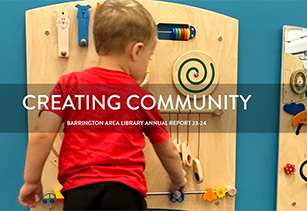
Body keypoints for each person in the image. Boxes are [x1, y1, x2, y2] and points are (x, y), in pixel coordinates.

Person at [18, 0, 187, 210]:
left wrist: (31, 181)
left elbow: (42, 134)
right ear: (136, 50)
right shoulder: (141, 97)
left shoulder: (69, 85)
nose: (147, 63)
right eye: (148, 57)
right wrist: (178, 179)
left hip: (79, 194)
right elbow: (167, 149)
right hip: (125, 194)